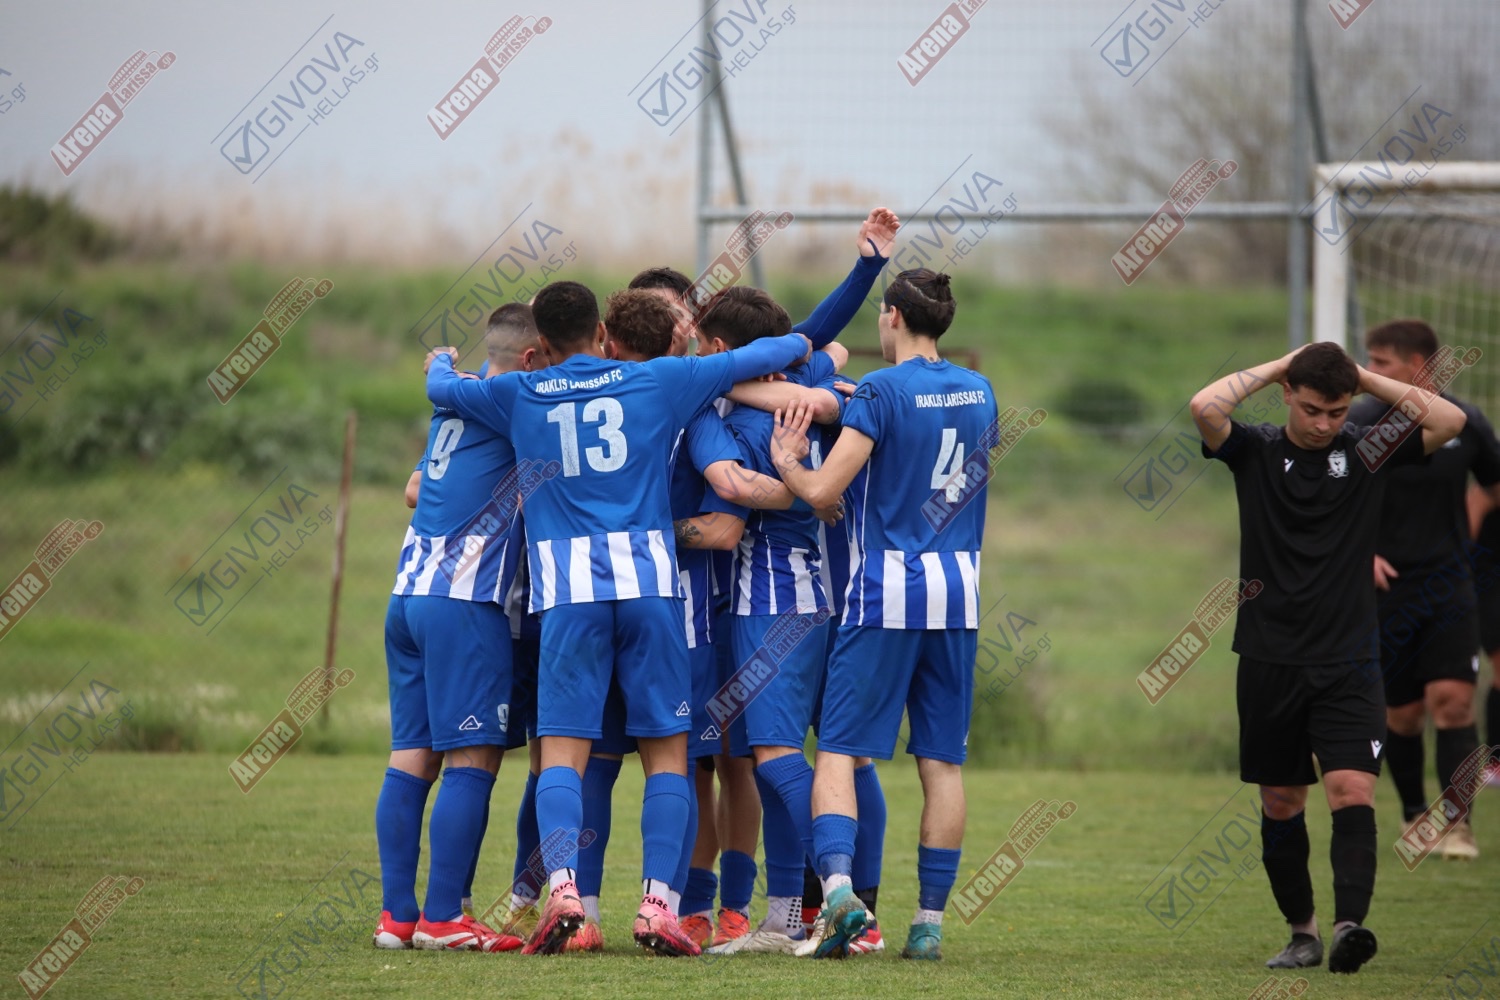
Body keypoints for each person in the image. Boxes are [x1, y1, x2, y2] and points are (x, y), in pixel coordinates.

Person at [425, 280, 813, 956]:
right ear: (602, 334)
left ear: (542, 345)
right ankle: (659, 907)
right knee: (668, 758)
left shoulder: (520, 391)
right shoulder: (657, 380)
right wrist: (810, 345)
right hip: (650, 590)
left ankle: (565, 892)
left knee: (562, 755)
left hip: (569, 597)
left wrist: (438, 361)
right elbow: (768, 352)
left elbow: (445, 390)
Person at [1189, 340, 1466, 975]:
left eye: (1337, 412)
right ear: (1288, 395)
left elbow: (1448, 420)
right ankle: (1303, 934)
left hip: (1349, 661)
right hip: (1269, 659)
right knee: (1282, 802)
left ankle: (1349, 929)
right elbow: (1205, 407)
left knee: (1351, 789)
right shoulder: (1255, 450)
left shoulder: (1367, 451)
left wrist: (1362, 377)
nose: (1324, 424)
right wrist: (1282, 365)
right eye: (1312, 409)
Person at [769, 268, 997, 961]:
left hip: (887, 589)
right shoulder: (980, 390)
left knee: (839, 750)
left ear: (892, 315)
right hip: (959, 589)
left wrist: (789, 462)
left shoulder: (880, 390)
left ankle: (840, 894)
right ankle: (928, 926)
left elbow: (824, 492)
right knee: (942, 763)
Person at [373, 304, 541, 953]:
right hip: (464, 601)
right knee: (474, 757)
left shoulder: (453, 405)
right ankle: (444, 917)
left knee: (411, 756)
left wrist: (443, 364)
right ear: (531, 358)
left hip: (408, 595)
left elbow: (415, 488)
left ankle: (397, 918)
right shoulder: (513, 399)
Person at [1348, 319, 1500, 861]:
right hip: (1387, 588)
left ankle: (1457, 826)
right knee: (1404, 715)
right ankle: (1416, 814)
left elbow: (1494, 484)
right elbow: (1333, 498)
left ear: (1417, 365)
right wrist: (1360, 552)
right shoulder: (1361, 423)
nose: (1370, 371)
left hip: (1450, 586)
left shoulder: (1465, 421)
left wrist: (1470, 532)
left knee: (1453, 703)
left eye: (1380, 362)